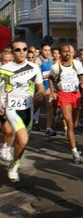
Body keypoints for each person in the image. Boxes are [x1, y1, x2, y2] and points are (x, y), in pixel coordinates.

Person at [0, 40, 45, 182]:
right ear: (12, 52)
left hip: (28, 108)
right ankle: (14, 167)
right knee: (23, 138)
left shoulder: (34, 68)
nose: (21, 52)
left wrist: (41, 93)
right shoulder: (4, 68)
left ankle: (15, 162)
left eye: (24, 49)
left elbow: (40, 86)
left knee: (23, 142)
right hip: (11, 108)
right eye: (18, 50)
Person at [48, 45, 83, 163]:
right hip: (64, 94)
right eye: (64, 52)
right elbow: (50, 78)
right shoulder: (55, 67)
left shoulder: (77, 64)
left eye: (69, 51)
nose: (67, 54)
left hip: (75, 94)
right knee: (69, 124)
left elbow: (81, 76)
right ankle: (75, 152)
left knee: (74, 125)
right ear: (60, 53)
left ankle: (60, 114)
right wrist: (53, 92)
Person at [33, 43, 56, 136]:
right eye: (45, 50)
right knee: (35, 107)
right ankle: (29, 124)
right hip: (38, 86)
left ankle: (48, 128)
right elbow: (34, 74)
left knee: (50, 105)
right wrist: (46, 75)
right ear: (41, 50)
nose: (47, 52)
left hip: (47, 85)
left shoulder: (50, 59)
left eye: (49, 50)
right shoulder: (38, 60)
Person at [0, 51, 15, 162]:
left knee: (12, 130)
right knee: (6, 129)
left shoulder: (17, 73)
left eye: (10, 60)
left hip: (13, 104)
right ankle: (3, 146)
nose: (7, 63)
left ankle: (7, 148)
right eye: (5, 60)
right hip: (1, 104)